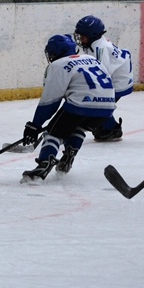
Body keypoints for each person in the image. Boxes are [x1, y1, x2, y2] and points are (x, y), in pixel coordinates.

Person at [20, 34, 116, 183]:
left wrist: (35, 125)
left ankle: (44, 165)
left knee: (53, 133)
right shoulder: (91, 59)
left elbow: (50, 101)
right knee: (77, 127)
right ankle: (70, 154)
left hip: (81, 104)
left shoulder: (58, 65)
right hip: (107, 108)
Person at [73, 15, 133, 141]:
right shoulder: (94, 42)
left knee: (99, 103)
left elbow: (101, 73)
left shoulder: (100, 48)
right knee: (98, 103)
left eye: (83, 36)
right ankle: (106, 126)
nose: (80, 39)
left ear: (93, 35)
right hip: (116, 77)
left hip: (119, 81)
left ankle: (111, 129)